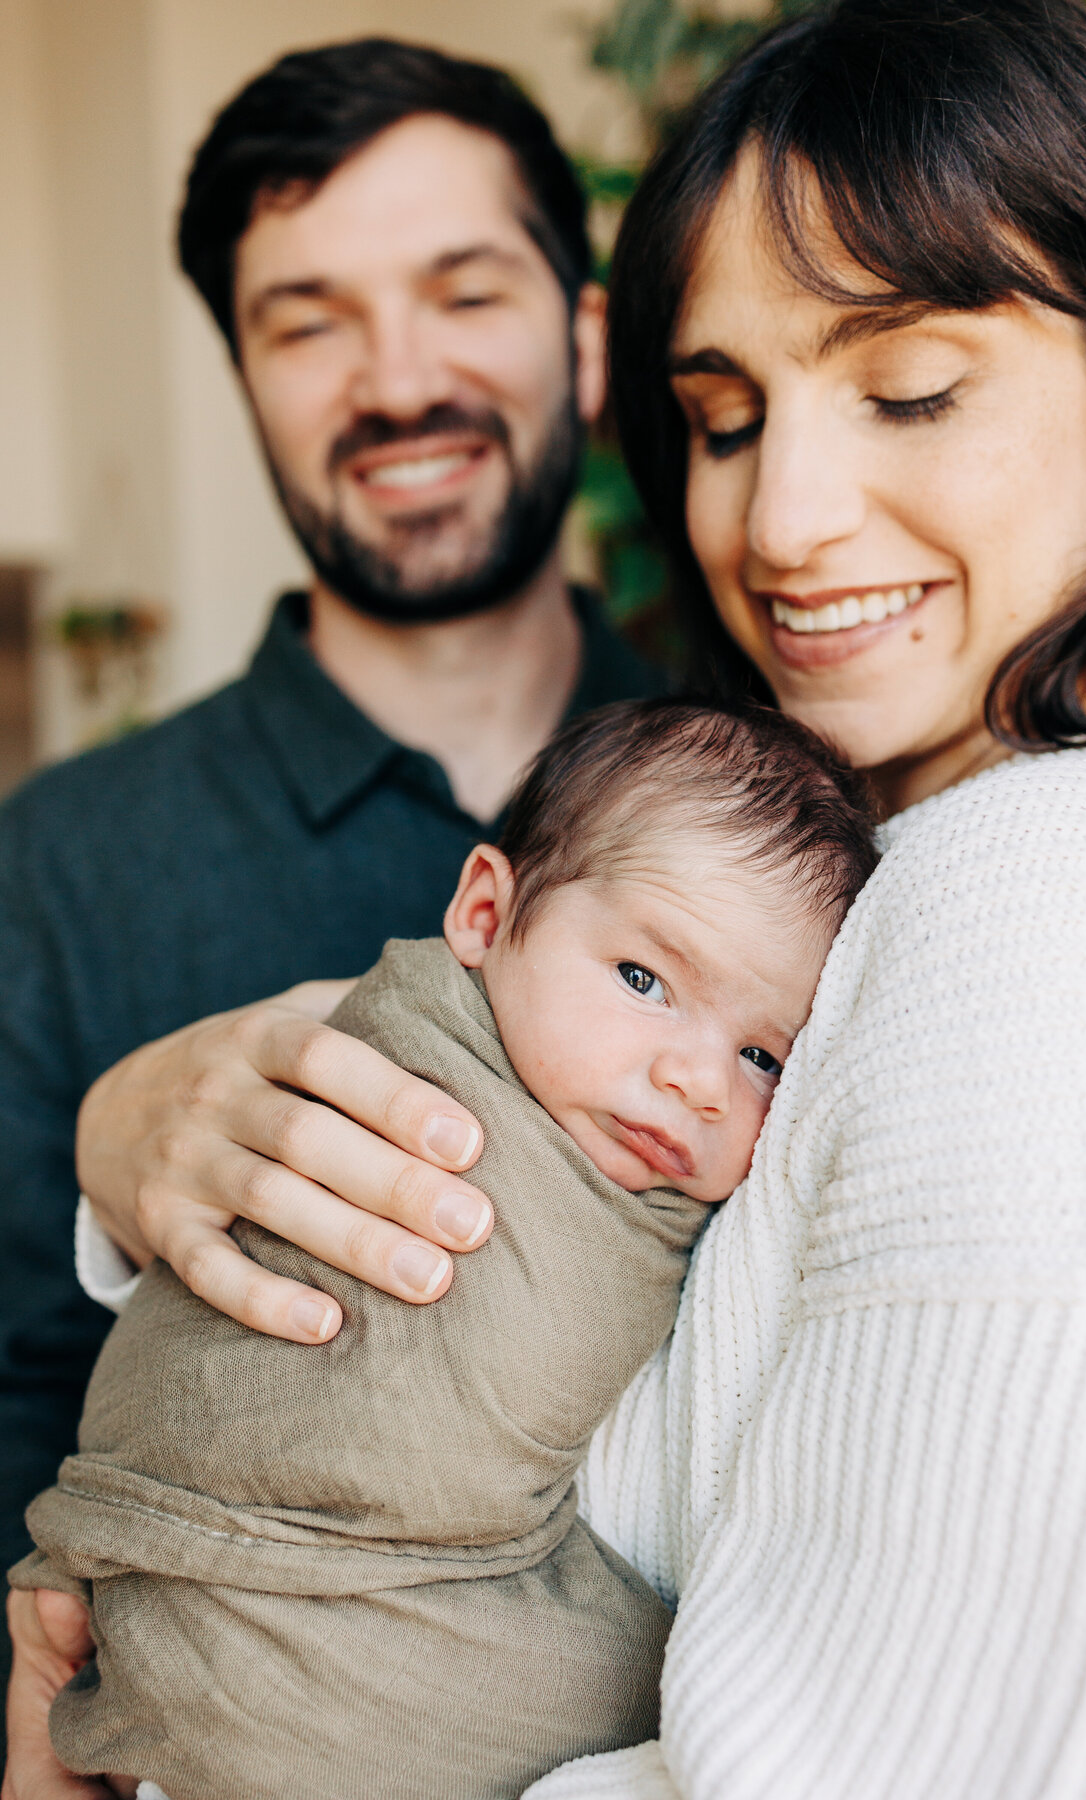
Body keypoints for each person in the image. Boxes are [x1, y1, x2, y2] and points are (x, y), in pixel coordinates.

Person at [11, 0, 1086, 1792]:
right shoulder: (68, 857)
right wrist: (119, 1161)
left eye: (909, 388)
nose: (792, 519)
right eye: (728, 417)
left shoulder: (938, 861)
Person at [0, 33, 666, 1687]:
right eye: (308, 322)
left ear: (585, 344)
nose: (395, 382)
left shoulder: (801, 791)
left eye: (462, 291)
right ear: (245, 377)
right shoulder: (57, 867)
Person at [15, 699, 874, 1800]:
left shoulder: (673, 746)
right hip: (231, 1589)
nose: (697, 1080)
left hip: (214, 1646)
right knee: (696, 1685)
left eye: (763, 1054)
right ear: (480, 915)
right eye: (644, 981)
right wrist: (109, 1139)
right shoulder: (412, 1062)